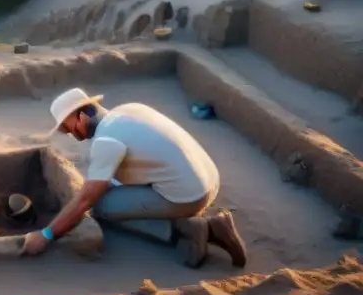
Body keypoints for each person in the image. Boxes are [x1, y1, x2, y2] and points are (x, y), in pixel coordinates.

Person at [21, 87, 247, 269]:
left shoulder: (105, 142)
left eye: (67, 127)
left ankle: (192, 229)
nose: (69, 134)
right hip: (209, 180)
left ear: (81, 116)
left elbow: (84, 202)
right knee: (113, 186)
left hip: (190, 197)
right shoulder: (130, 109)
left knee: (101, 206)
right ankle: (194, 222)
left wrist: (46, 235)